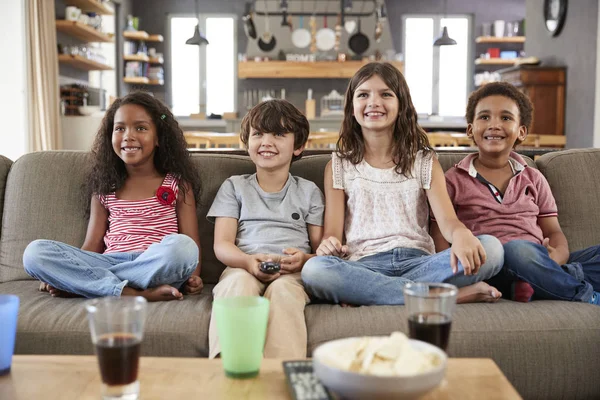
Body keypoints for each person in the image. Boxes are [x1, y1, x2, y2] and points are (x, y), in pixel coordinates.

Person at [301, 62, 504, 306]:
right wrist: (328, 246)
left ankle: (378, 295)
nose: (374, 102)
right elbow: (332, 234)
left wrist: (461, 234)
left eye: (386, 94)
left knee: (492, 249)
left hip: (420, 263)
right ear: (352, 107)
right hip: (364, 266)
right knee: (315, 270)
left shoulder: (424, 160)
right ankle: (443, 296)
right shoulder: (338, 165)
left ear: (401, 105)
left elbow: (448, 221)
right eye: (363, 94)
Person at [23, 92, 203, 302]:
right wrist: (72, 266)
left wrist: (194, 277)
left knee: (184, 248)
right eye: (120, 128)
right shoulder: (104, 188)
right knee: (34, 253)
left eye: (141, 128)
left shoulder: (178, 184)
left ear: (159, 138)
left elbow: (192, 243)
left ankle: (90, 285)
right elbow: (91, 246)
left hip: (155, 265)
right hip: (109, 263)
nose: (128, 135)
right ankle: (131, 293)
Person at [432, 81, 600, 305]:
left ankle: (544, 280)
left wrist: (557, 257)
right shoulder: (453, 180)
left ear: (521, 131)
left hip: (538, 259)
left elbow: (554, 232)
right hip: (493, 266)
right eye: (484, 117)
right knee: (516, 250)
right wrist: (457, 276)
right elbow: (439, 237)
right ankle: (583, 293)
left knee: (541, 254)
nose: (494, 125)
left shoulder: (533, 178)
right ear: (470, 129)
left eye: (505, 118)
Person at [207, 99, 324, 359]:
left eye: (279, 134)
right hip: (242, 265)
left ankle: (278, 373)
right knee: (236, 286)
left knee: (283, 293)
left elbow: (321, 251)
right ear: (247, 143)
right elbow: (222, 244)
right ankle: (228, 366)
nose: (266, 141)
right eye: (258, 134)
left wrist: (304, 260)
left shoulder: (309, 191)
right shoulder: (234, 186)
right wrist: (248, 262)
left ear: (299, 146)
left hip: (292, 274)